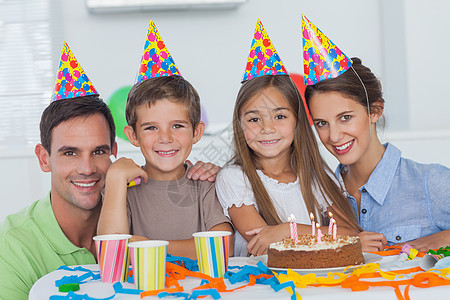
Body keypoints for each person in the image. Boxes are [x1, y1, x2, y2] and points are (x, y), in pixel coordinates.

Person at [305, 57, 450, 252]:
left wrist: (441, 239)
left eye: (345, 118)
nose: (334, 136)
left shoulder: (430, 182)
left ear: (375, 111)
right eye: (322, 123)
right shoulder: (320, 194)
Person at [216, 74, 364, 256]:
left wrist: (287, 230)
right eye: (254, 119)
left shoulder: (316, 175)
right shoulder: (234, 178)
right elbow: (267, 247)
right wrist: (325, 237)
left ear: (297, 121)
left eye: (280, 116)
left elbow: (350, 234)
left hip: (317, 281)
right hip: (264, 283)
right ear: (239, 124)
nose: (267, 128)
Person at [97, 75, 233, 259]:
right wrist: (115, 177)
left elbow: (222, 247)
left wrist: (149, 248)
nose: (165, 138)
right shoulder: (122, 190)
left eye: (177, 125)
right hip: (141, 288)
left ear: (197, 132)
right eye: (151, 128)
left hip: (201, 287)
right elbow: (111, 255)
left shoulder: (206, 183)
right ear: (133, 135)